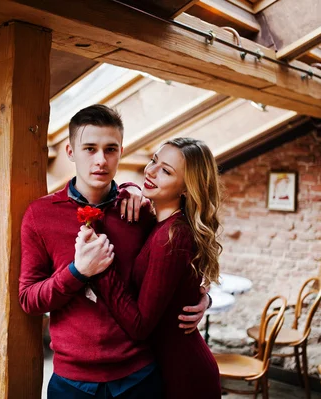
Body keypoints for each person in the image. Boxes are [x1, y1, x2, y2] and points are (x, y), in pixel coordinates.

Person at [18, 105, 210, 399]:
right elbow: (29, 299)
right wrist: (77, 273)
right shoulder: (39, 215)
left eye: (110, 149)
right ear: (70, 151)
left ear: (122, 150)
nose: (101, 160)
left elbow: (179, 262)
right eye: (89, 149)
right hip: (71, 382)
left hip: (140, 377)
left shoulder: (143, 211)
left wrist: (202, 297)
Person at [76, 137, 223, 398]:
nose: (151, 171)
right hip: (161, 368)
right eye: (154, 160)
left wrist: (100, 268)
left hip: (182, 374)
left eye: (166, 171)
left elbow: (140, 325)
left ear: (187, 189)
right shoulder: (159, 222)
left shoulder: (173, 236)